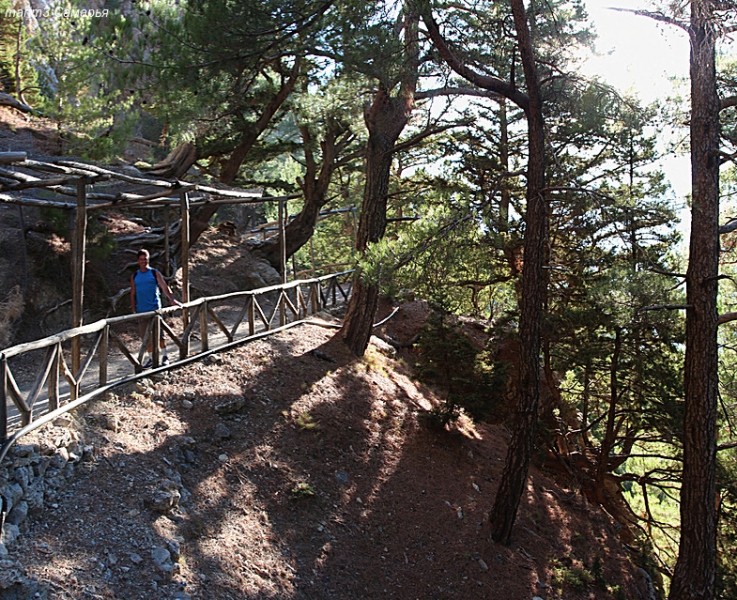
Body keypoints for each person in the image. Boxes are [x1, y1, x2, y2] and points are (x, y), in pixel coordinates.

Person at [130, 248, 181, 368]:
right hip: (141, 311)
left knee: (160, 335)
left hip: (155, 309)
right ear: (138, 261)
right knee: (145, 337)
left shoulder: (154, 273)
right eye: (141, 259)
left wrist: (172, 299)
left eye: (146, 259)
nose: (144, 261)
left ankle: (164, 356)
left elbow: (164, 286)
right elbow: (132, 293)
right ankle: (151, 359)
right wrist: (133, 310)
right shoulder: (135, 276)